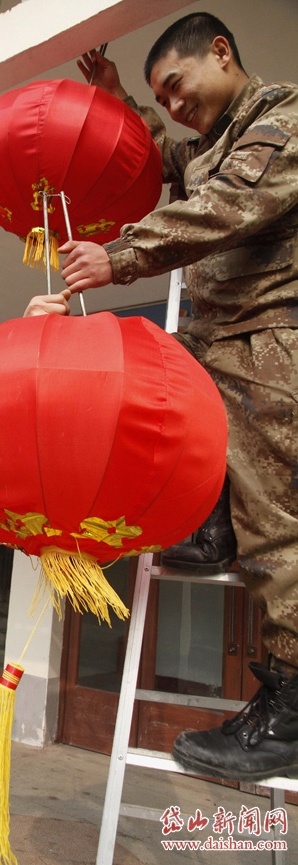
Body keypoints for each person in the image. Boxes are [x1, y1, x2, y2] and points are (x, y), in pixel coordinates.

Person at [50, 11, 298, 782]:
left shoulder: (283, 120)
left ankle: (292, 705)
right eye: (164, 101)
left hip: (268, 341)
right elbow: (162, 165)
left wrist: (122, 255)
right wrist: (121, 105)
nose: (175, 108)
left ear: (221, 52)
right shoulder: (204, 145)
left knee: (280, 523)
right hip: (212, 342)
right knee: (137, 387)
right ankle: (204, 523)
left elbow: (221, 205)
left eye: (178, 88)